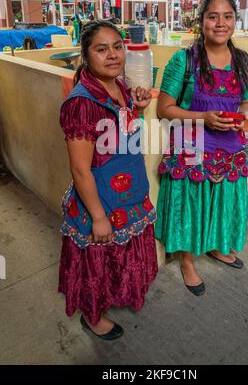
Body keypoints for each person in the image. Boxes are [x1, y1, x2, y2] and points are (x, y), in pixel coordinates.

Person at [59, 20, 158, 340]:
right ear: (86, 56)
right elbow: (79, 169)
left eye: (118, 46)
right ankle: (92, 316)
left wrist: (139, 110)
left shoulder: (120, 87)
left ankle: (117, 295)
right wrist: (99, 217)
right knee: (98, 264)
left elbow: (125, 137)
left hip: (129, 193)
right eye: (102, 49)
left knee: (121, 259)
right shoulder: (82, 103)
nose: (113, 55)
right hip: (101, 200)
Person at [155, 0, 248, 296]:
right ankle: (187, 261)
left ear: (234, 21)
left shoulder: (243, 61)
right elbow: (164, 109)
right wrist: (204, 118)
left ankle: (214, 246)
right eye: (213, 16)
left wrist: (244, 112)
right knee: (191, 205)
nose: (220, 23)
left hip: (230, 148)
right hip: (191, 149)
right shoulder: (183, 60)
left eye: (227, 16)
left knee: (221, 203)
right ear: (202, 21)